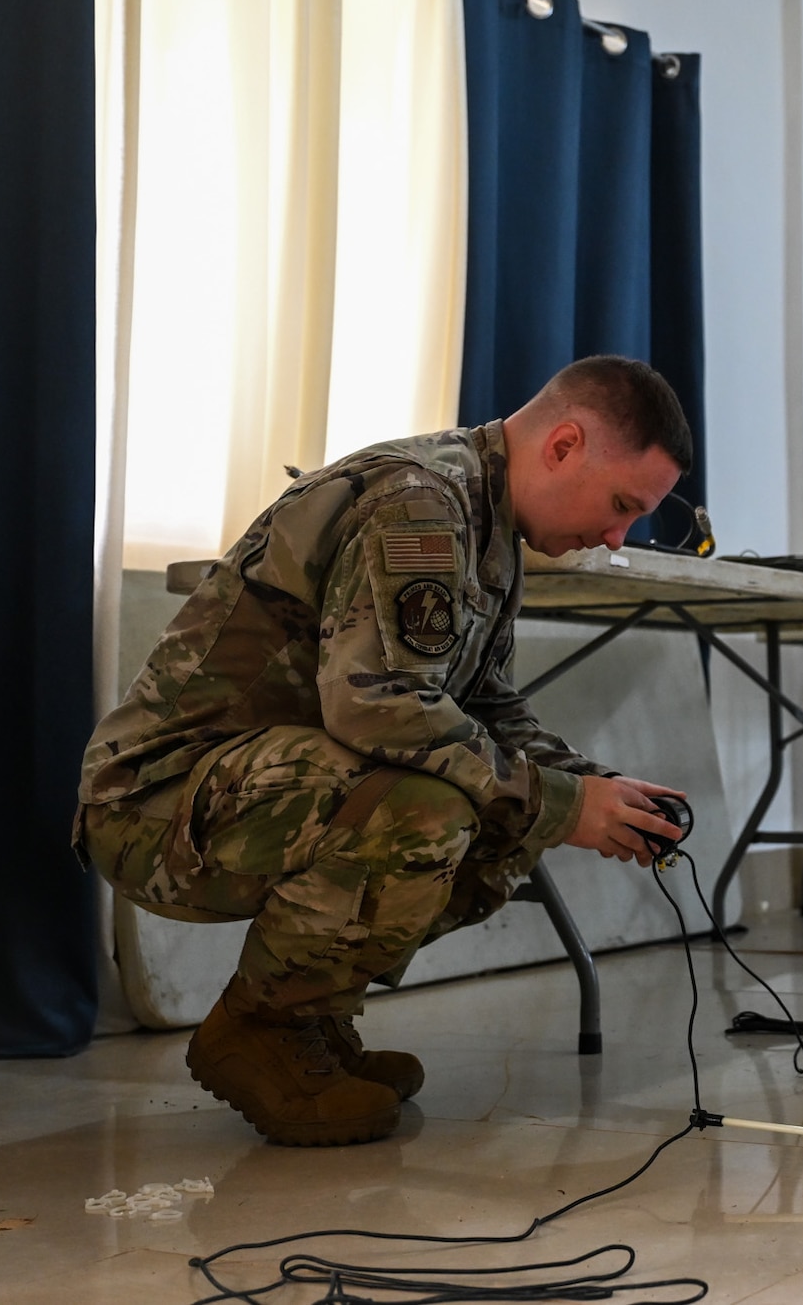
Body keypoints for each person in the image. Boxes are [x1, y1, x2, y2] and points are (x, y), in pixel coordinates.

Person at [76, 357, 694, 1147]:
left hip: (256, 787)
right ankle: (259, 1029)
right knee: (427, 809)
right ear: (564, 444)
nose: (617, 537)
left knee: (508, 811)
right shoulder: (421, 501)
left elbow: (483, 707)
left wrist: (591, 785)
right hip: (152, 802)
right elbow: (378, 707)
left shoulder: (489, 522)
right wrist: (560, 803)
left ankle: (310, 1017)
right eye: (620, 506)